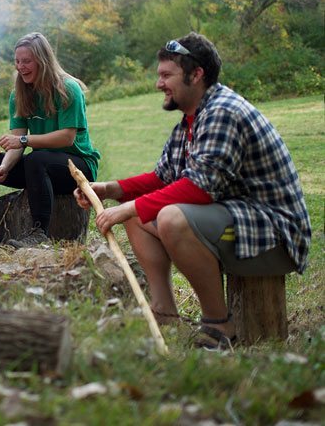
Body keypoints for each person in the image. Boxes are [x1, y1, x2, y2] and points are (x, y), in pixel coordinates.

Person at [74, 32, 311, 349]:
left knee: (169, 216)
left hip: (274, 232)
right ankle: (164, 312)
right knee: (138, 205)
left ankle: (219, 327)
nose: (159, 84)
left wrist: (130, 208)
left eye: (166, 75)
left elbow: (199, 188)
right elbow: (162, 178)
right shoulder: (191, 119)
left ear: (196, 74)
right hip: (240, 220)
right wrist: (108, 189)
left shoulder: (222, 112)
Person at [0, 33, 100, 244]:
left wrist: (23, 142)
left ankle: (39, 234)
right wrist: (5, 166)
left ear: (43, 60)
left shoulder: (68, 89)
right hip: (40, 169)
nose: (21, 66)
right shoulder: (19, 94)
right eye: (17, 61)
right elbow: (17, 142)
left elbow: (67, 138)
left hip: (77, 168)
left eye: (27, 61)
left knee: (36, 159)